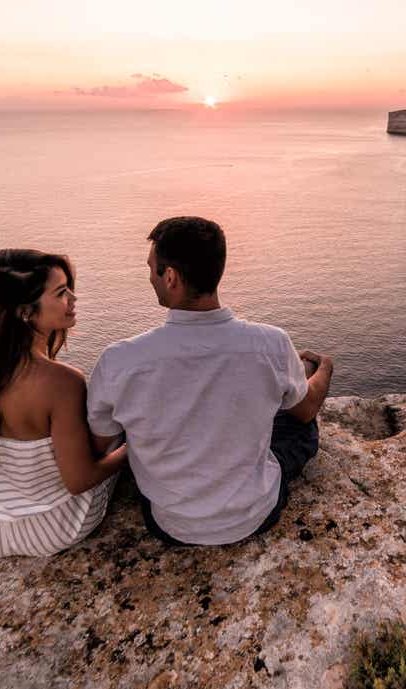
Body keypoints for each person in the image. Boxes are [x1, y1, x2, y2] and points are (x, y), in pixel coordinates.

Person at [86, 216, 335, 546]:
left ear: (170, 277)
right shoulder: (271, 343)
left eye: (151, 268)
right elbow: (305, 412)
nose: (149, 276)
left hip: (170, 523)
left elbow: (102, 443)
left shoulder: (119, 360)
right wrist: (324, 370)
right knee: (297, 421)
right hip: (256, 513)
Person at [0, 249, 128, 558]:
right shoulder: (62, 382)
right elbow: (79, 480)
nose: (73, 298)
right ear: (24, 312)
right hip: (50, 528)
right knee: (119, 428)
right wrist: (135, 447)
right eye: (61, 293)